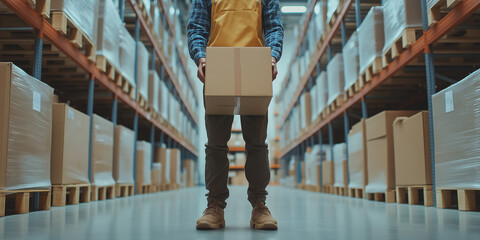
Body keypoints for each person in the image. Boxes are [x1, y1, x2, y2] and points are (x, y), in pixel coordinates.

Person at [187, 0, 284, 231]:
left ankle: (260, 206)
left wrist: (272, 56)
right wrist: (200, 57)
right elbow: (197, 28)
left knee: (257, 144)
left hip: (255, 68)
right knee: (216, 145)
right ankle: (215, 207)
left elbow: (273, 27)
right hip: (218, 68)